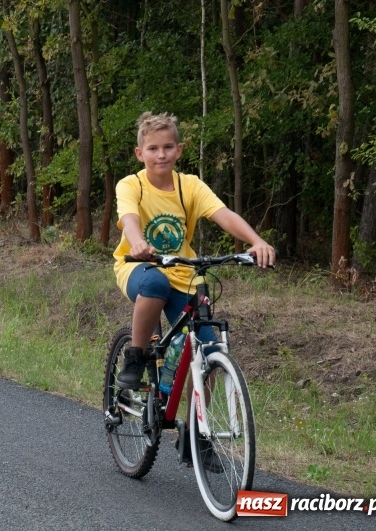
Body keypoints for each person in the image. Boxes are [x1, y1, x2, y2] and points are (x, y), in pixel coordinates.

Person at [113, 112, 274, 465]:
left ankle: (195, 434)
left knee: (206, 344)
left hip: (183, 273)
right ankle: (136, 356)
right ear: (140, 154)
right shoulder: (132, 185)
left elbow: (223, 214)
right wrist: (137, 242)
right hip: (138, 268)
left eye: (168, 147)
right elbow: (129, 219)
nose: (161, 154)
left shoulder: (190, 186)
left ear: (179, 149)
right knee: (154, 282)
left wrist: (256, 241)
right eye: (153, 148)